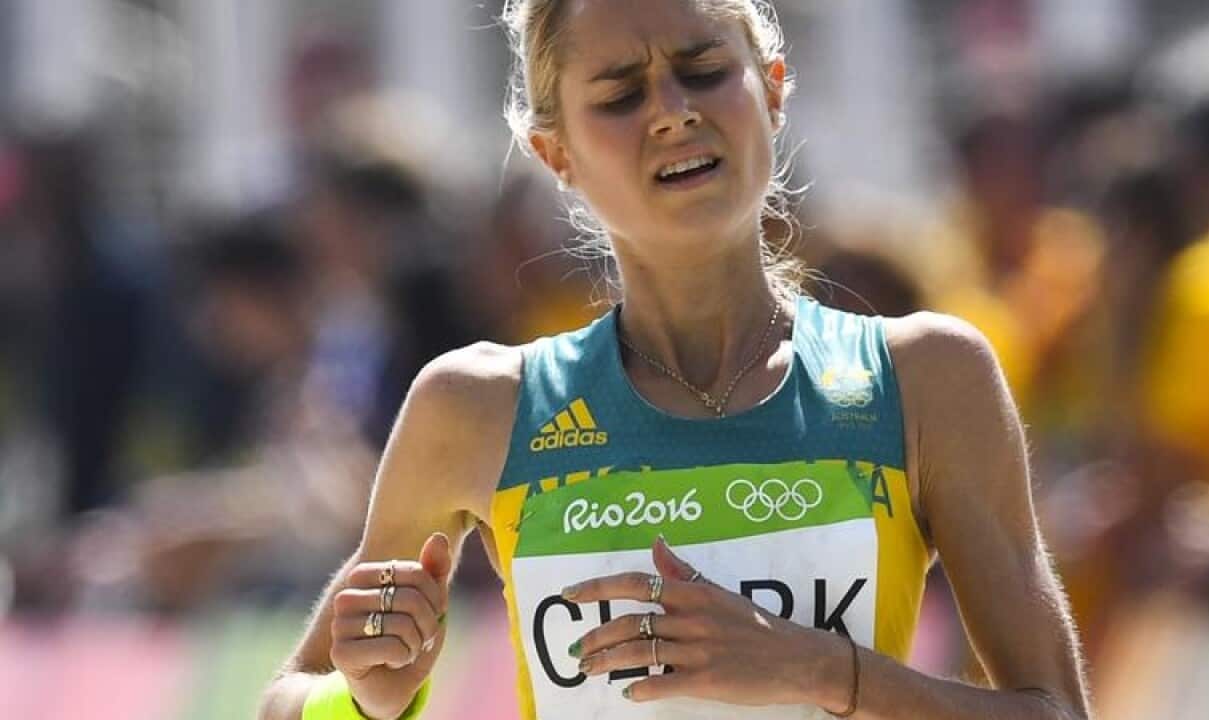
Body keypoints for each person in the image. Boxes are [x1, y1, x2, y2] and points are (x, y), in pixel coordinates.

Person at [259, 1, 1091, 719]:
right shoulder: (478, 404)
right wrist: (366, 698)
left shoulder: (926, 379)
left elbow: (1054, 710)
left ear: (770, 87)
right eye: (620, 94)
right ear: (557, 155)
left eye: (702, 72)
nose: (672, 113)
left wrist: (814, 669)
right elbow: (293, 696)